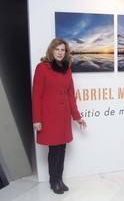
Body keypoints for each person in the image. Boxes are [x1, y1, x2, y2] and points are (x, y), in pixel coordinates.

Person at [32, 38, 87, 194]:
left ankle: (59, 180)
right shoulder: (42, 68)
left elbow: (71, 95)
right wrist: (36, 119)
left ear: (66, 52)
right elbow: (36, 95)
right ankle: (53, 181)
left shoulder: (67, 69)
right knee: (54, 149)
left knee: (62, 149)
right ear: (51, 50)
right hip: (49, 117)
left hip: (63, 118)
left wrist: (77, 117)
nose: (60, 52)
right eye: (57, 49)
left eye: (63, 50)